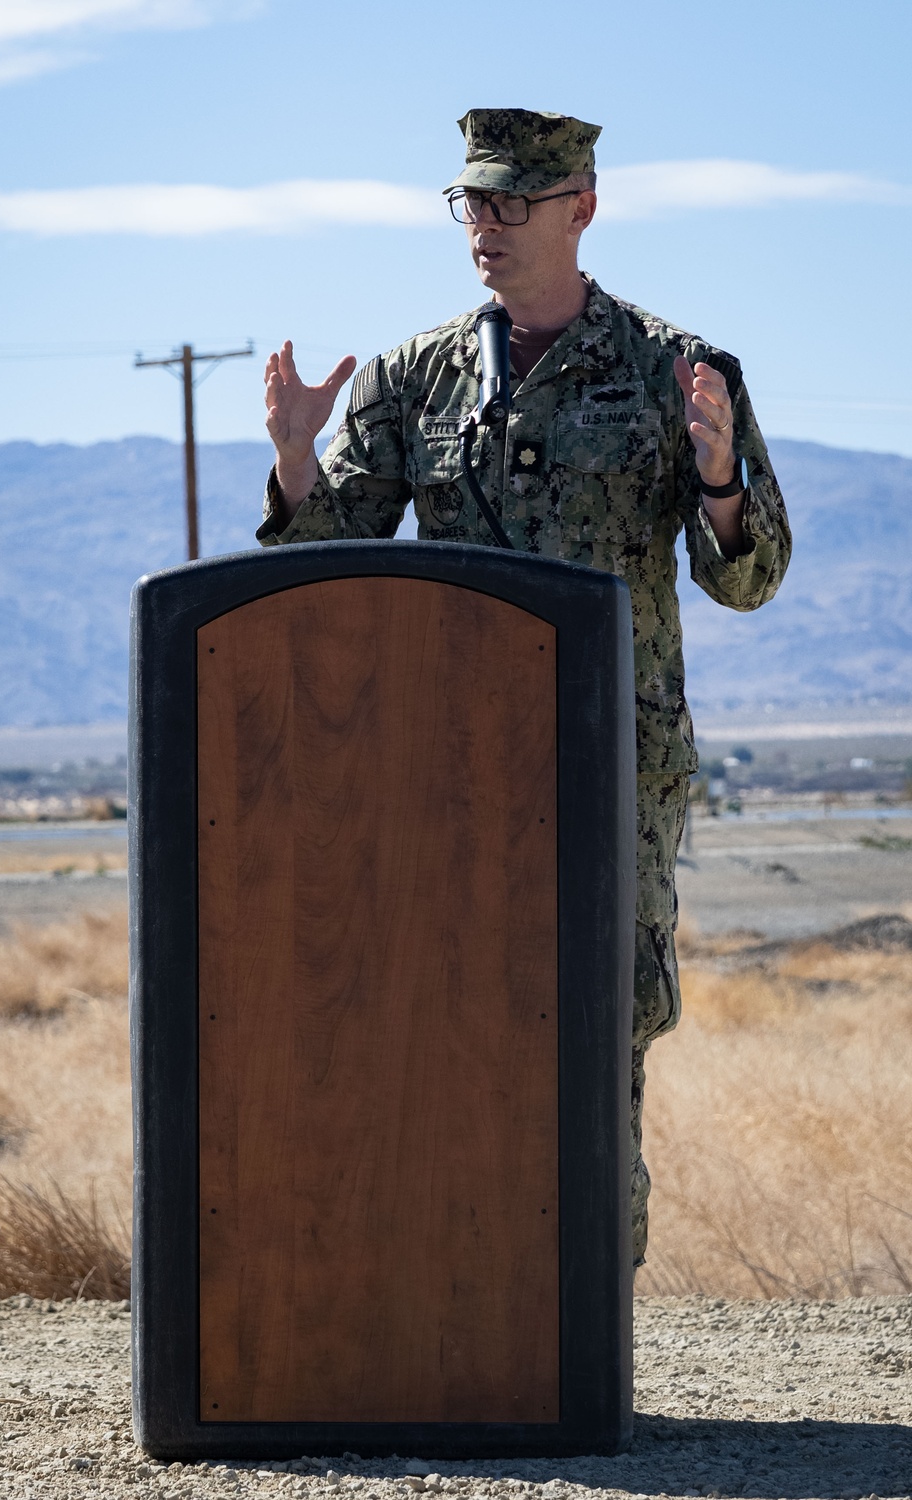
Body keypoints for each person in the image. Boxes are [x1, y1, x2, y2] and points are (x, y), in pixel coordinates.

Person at [257, 108, 792, 1267]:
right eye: (471, 203)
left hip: (610, 757)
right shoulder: (413, 378)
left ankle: (589, 1317)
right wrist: (299, 468)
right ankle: (453, 1301)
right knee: (436, 1014)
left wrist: (717, 480)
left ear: (581, 208)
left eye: (510, 202)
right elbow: (324, 577)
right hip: (447, 763)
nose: (485, 226)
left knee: (603, 1021)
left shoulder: (676, 369)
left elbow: (748, 583)